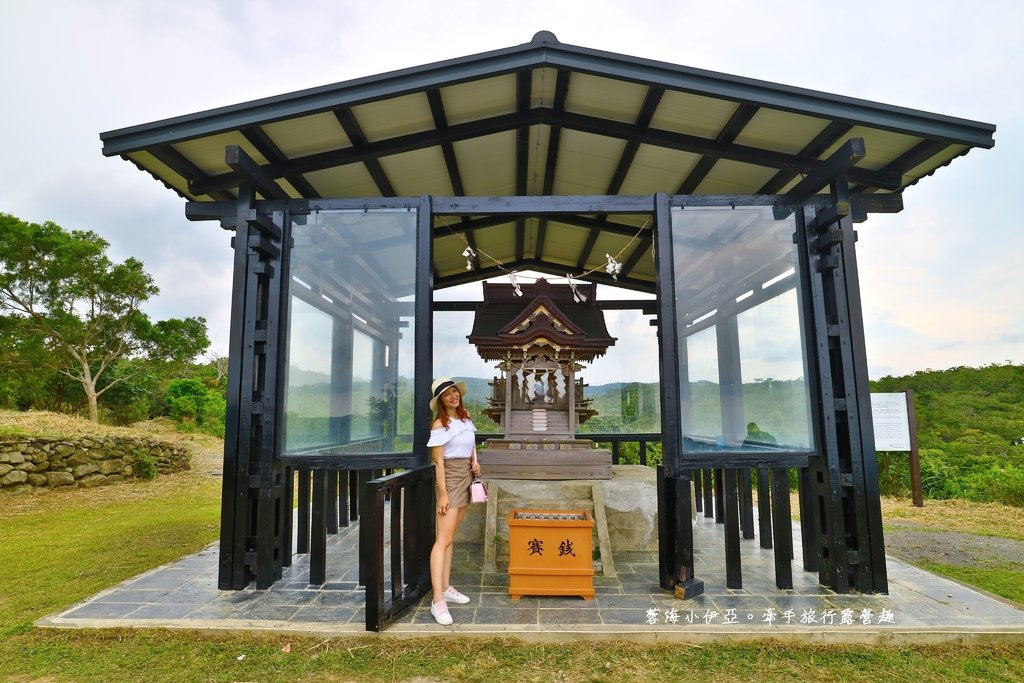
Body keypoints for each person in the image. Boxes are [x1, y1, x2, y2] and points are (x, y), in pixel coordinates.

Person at [425, 377, 481, 625]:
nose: (453, 396)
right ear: (440, 401)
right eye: (447, 394)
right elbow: (439, 462)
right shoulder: (439, 425)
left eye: (454, 391)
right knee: (443, 539)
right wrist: (444, 494)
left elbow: (471, 444)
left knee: (451, 537)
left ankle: (446, 586)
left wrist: (475, 461)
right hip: (450, 478)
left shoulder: (466, 418)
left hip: (467, 476)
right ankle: (438, 600)